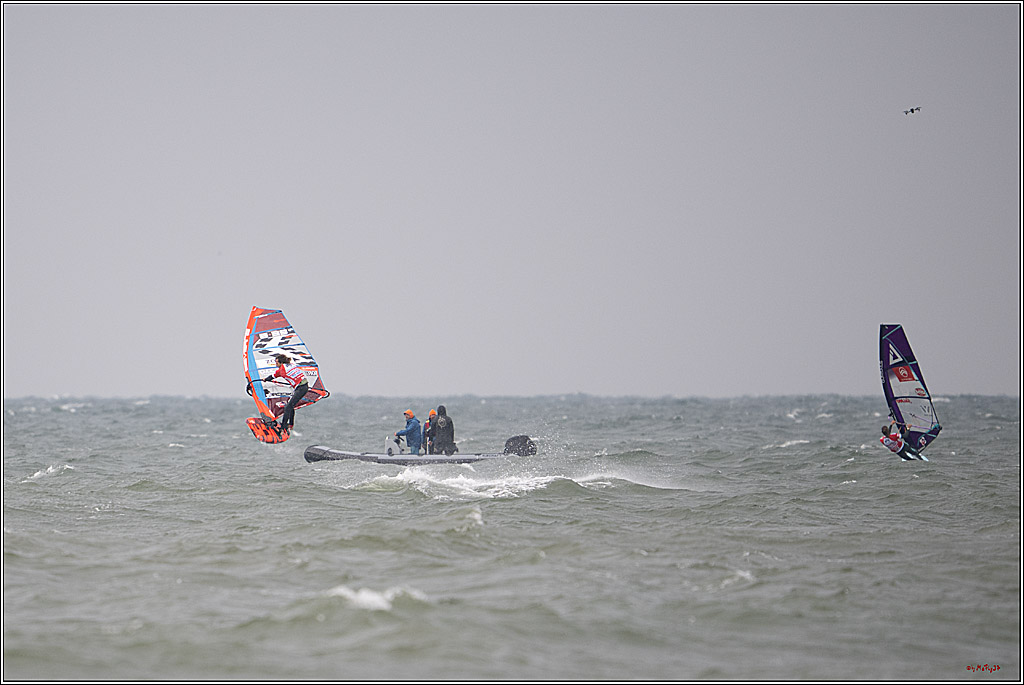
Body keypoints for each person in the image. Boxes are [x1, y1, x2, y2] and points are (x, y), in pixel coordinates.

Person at [263, 354, 308, 434]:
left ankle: (283, 429)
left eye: (276, 362)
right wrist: (266, 379)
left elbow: (273, 376)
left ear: (281, 363)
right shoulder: (290, 364)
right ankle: (290, 425)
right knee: (290, 406)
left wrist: (265, 379)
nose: (276, 364)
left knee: (287, 407)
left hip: (301, 388)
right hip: (303, 386)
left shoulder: (281, 370)